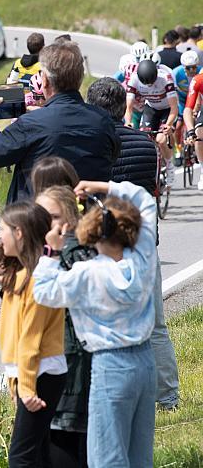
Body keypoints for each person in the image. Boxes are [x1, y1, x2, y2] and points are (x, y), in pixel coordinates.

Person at [33, 180, 157, 468]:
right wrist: (104, 186)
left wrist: (50, 252)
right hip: (145, 360)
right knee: (140, 454)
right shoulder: (143, 258)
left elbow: (44, 292)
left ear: (91, 231)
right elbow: (145, 200)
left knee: (107, 455)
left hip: (110, 363)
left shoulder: (86, 274)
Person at [88, 76, 180, 409]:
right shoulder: (145, 144)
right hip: (143, 245)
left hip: (105, 248)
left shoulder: (91, 146)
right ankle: (167, 396)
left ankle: (114, 396)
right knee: (155, 325)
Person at [0, 41, 120, 203]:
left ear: (45, 81)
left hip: (37, 220)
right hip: (87, 219)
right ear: (80, 78)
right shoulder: (104, 121)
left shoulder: (30, 125)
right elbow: (113, 155)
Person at [0, 202, 66, 467]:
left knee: (21, 456)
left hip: (40, 374)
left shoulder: (37, 281)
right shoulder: (25, 276)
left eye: (3, 230)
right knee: (39, 453)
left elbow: (30, 340)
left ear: (19, 234)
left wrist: (26, 388)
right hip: (35, 374)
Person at [35, 186, 94, 468]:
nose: (44, 223)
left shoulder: (75, 255)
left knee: (66, 441)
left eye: (52, 216)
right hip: (48, 363)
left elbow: (47, 297)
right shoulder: (43, 253)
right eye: (39, 216)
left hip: (72, 366)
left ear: (70, 220)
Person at [125, 59, 179, 184]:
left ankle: (170, 166)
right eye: (146, 83)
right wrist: (128, 122)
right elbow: (128, 107)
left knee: (160, 139)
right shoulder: (134, 79)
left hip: (167, 109)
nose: (149, 85)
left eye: (152, 82)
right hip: (151, 108)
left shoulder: (165, 78)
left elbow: (174, 108)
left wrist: (168, 125)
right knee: (146, 139)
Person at [183, 59, 203, 188]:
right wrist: (190, 131)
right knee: (199, 133)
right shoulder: (198, 80)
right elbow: (188, 109)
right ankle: (202, 168)